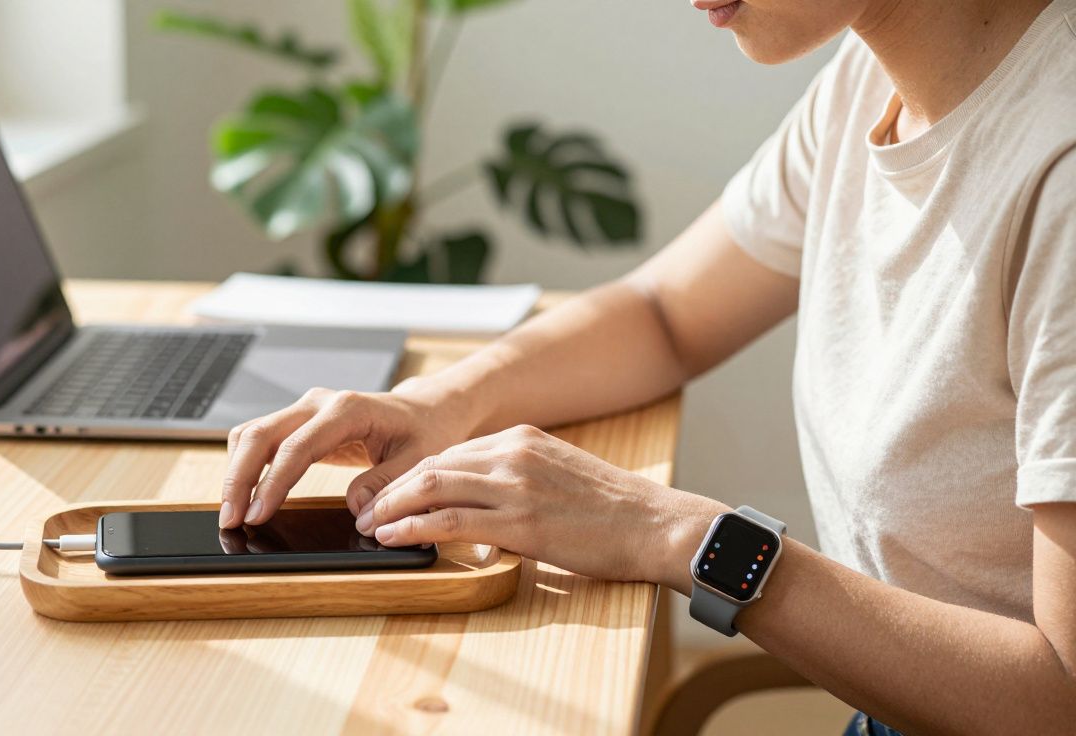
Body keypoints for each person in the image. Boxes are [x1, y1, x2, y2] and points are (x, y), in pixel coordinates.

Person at [220, 0, 1076, 732]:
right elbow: (665, 315)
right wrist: (438, 401)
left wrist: (670, 533)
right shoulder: (873, 79)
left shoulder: (1058, 175)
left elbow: (1061, 701)